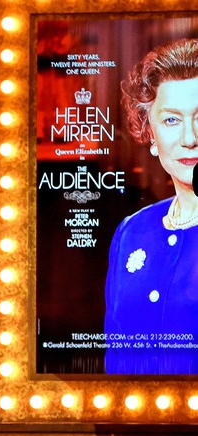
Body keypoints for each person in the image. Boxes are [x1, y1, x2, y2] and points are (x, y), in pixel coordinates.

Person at [104, 37, 198, 373]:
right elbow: (114, 358)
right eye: (172, 120)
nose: (189, 137)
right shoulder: (132, 231)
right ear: (151, 133)